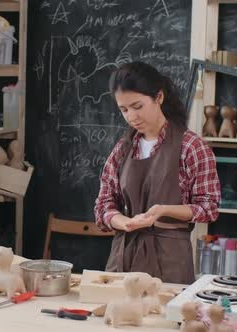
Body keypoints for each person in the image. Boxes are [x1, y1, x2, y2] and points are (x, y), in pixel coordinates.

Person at [94, 62, 221, 284]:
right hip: (122, 260)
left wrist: (162, 211)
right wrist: (123, 222)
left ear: (159, 97)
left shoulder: (191, 147)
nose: (131, 117)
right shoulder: (122, 149)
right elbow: (103, 206)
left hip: (169, 264)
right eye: (124, 110)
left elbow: (208, 208)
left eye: (137, 106)